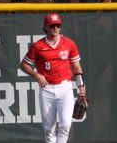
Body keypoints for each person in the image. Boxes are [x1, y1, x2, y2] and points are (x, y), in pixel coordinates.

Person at [19, 13, 86, 143]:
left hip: (65, 87)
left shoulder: (68, 43)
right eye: (52, 26)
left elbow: (77, 67)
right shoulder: (38, 46)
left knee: (66, 124)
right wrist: (37, 75)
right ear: (45, 27)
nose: (55, 28)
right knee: (49, 128)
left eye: (57, 25)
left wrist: (81, 92)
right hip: (47, 88)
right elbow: (24, 65)